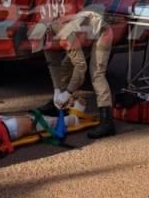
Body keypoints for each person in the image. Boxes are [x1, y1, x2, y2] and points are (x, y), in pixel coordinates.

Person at [44, 8, 116, 139]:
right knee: (65, 64)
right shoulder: (44, 36)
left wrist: (68, 92)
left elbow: (81, 66)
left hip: (102, 32)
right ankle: (60, 105)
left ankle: (107, 122)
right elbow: (53, 65)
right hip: (85, 33)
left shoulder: (66, 35)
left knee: (97, 74)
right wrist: (57, 90)